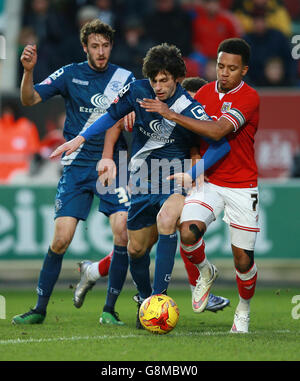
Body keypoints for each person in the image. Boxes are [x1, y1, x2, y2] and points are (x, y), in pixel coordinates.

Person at [50, 43, 231, 329]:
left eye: (164, 80)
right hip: (142, 181)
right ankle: (147, 302)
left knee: (167, 219)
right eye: (154, 80)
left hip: (173, 179)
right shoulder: (137, 90)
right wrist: (80, 139)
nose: (158, 87)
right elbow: (110, 116)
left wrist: (193, 171)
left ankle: (160, 298)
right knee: (135, 250)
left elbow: (222, 146)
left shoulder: (188, 107)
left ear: (177, 79)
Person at [12, 19, 135, 325]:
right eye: (95, 46)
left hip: (111, 165)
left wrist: (135, 109)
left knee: (122, 233)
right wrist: (28, 71)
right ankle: (39, 309)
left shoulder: (124, 78)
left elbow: (138, 108)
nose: (101, 51)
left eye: (106, 46)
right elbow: (29, 99)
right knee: (61, 240)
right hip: (77, 166)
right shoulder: (70, 74)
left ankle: (109, 310)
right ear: (85, 48)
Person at [139, 38, 260, 333]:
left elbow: (218, 131)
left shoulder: (250, 97)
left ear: (244, 70)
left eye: (232, 68)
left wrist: (170, 113)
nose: (224, 73)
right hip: (210, 181)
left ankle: (243, 310)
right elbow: (194, 138)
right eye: (220, 66)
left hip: (242, 185)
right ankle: (205, 271)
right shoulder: (204, 93)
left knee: (243, 261)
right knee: (188, 231)